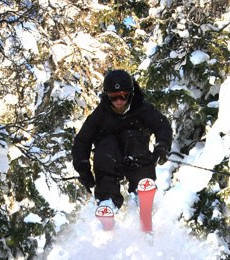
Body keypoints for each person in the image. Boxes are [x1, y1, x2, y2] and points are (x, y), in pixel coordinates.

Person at [72, 69, 172, 212]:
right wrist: (83, 168)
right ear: (107, 95)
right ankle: (108, 201)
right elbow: (82, 141)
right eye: (113, 97)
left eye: (123, 96)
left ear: (131, 94)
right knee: (106, 145)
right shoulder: (100, 114)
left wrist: (162, 146)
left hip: (136, 155)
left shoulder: (142, 109)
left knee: (133, 137)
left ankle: (141, 189)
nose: (119, 101)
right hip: (109, 158)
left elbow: (162, 126)